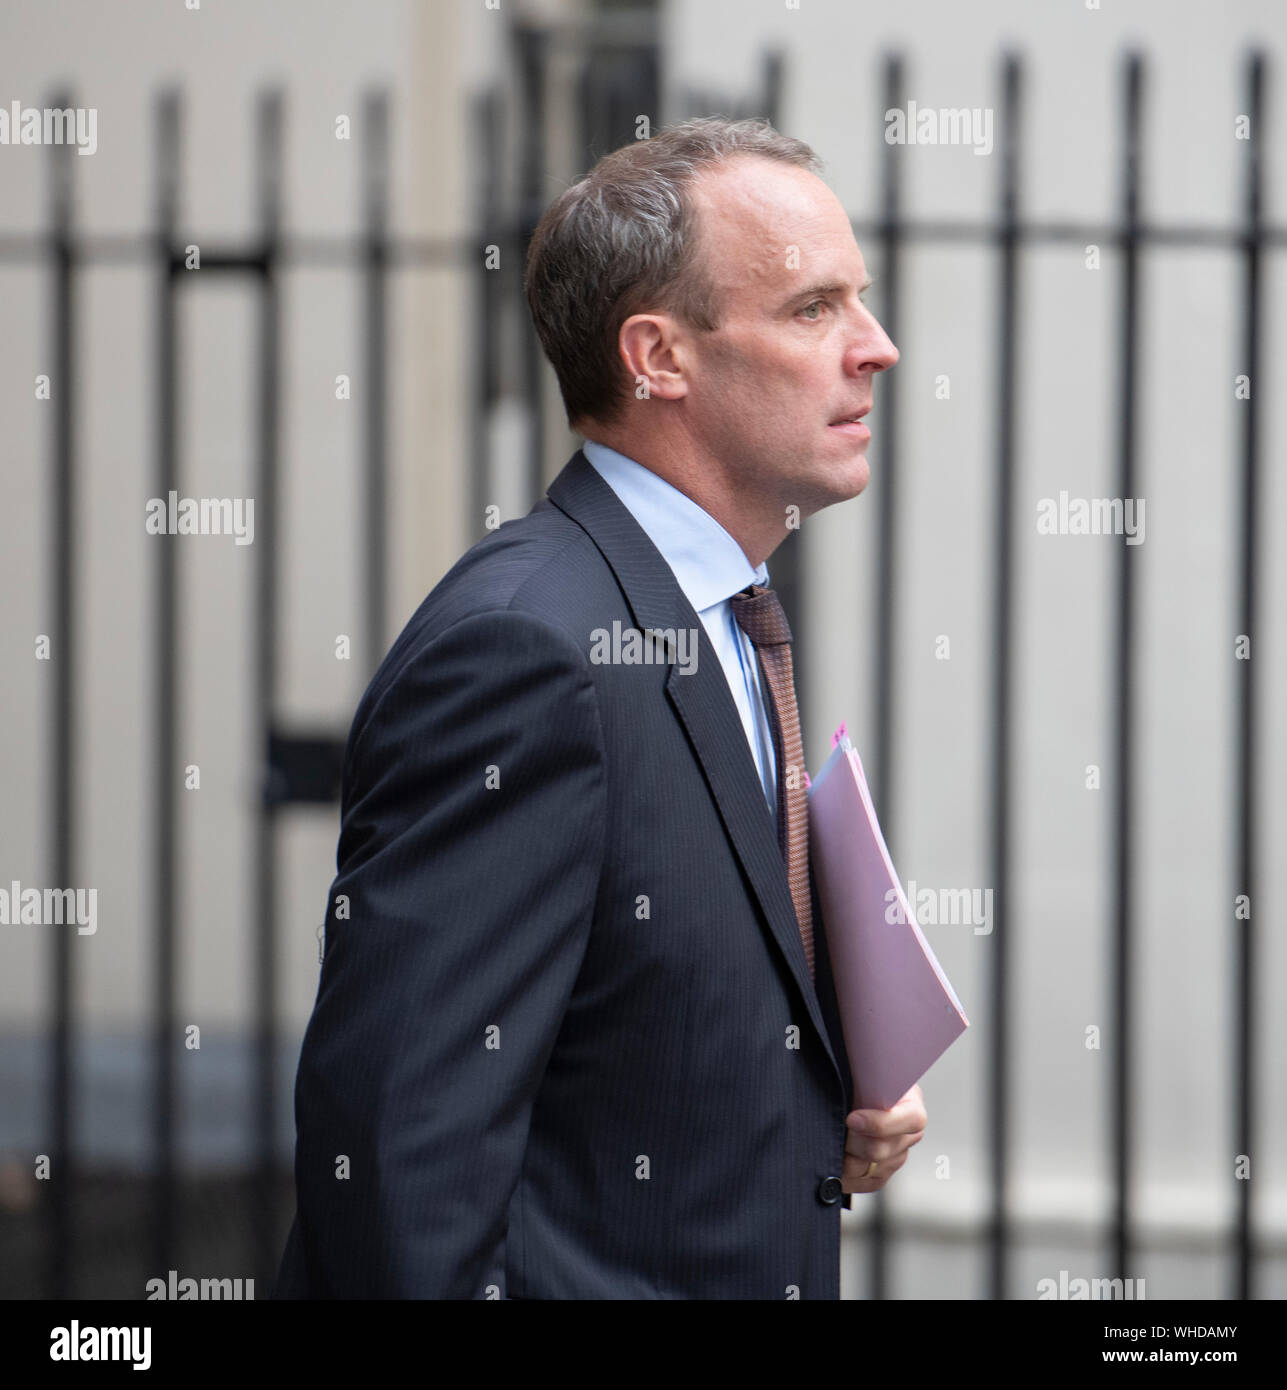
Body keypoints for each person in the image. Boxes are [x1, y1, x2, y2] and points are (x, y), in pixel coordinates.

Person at [273, 115, 926, 1300]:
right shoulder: (526, 651)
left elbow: (632, 1001)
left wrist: (816, 1084)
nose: (876, 347)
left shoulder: (720, 608)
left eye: (860, 301)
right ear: (659, 357)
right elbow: (394, 1145)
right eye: (814, 309)